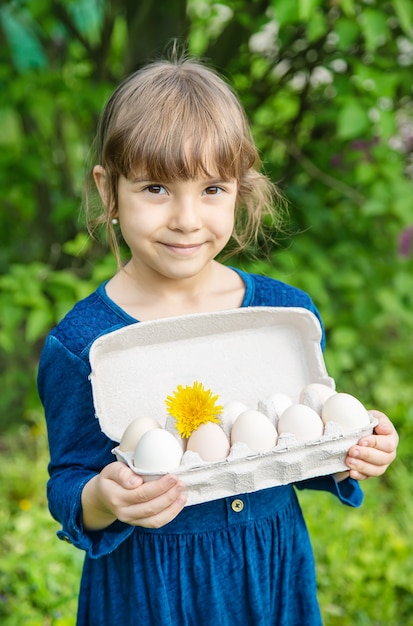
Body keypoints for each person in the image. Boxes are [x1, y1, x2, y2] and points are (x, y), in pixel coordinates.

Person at [37, 53, 399, 626]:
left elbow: (291, 437)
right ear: (109, 191)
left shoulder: (280, 315)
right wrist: (104, 499)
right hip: (151, 585)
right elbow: (68, 482)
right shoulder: (85, 343)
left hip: (267, 567)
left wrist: (348, 452)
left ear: (240, 190)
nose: (186, 218)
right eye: (156, 188)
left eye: (212, 189)